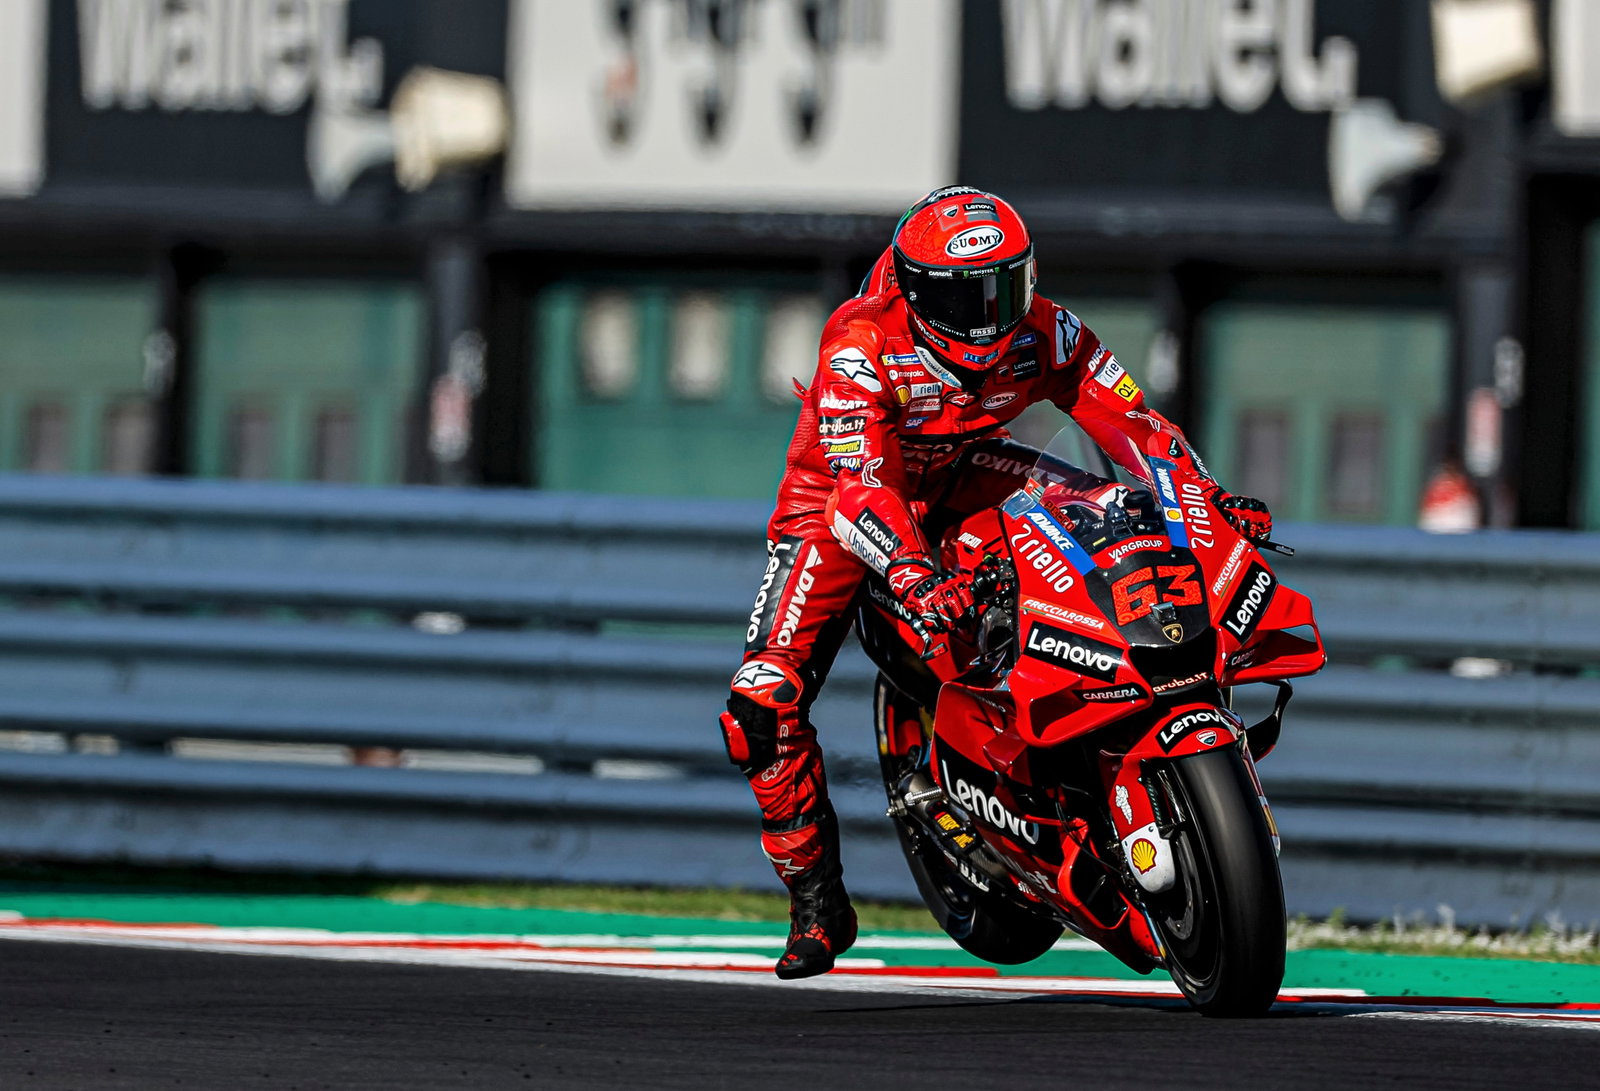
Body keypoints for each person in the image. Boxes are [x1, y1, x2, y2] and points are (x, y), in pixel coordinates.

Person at [719, 186, 1273, 979]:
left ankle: (1102, 718)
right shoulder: (859, 346)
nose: (987, 317)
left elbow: (1137, 426)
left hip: (964, 470)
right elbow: (863, 488)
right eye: (963, 298)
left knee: (1112, 509)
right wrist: (912, 572)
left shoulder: (1048, 329)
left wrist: (1205, 502)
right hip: (839, 502)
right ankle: (817, 900)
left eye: (1003, 288)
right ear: (915, 294)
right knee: (760, 704)